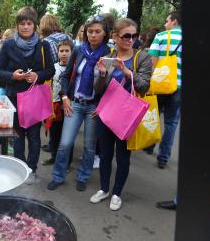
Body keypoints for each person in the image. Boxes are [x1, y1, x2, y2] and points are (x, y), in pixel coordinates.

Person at [90, 18, 152, 211]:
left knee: (123, 156)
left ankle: (117, 193)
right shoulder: (108, 57)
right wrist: (101, 74)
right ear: (115, 37)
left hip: (127, 115)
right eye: (126, 35)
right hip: (106, 113)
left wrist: (126, 71)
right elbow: (98, 90)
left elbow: (144, 85)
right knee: (105, 154)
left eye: (134, 35)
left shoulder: (142, 57)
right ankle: (104, 189)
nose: (131, 39)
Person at [46, 15, 111, 191]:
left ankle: (83, 176)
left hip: (94, 106)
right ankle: (58, 176)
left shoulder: (108, 54)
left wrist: (103, 75)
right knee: (65, 143)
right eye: (90, 31)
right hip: (74, 102)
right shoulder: (79, 50)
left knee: (90, 146)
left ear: (105, 33)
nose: (93, 35)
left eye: (98, 31)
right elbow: (66, 75)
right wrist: (65, 96)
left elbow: (110, 86)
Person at [0, 6, 55, 184]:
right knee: (18, 136)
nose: (25, 27)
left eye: (29, 23)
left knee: (34, 137)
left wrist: (38, 76)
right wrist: (12, 76)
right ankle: (19, 167)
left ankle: (31, 169)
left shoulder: (43, 45)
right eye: (22, 24)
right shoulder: (8, 45)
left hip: (35, 98)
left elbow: (51, 70)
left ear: (35, 25)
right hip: (14, 97)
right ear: (17, 25)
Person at [144, 11, 182, 170]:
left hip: (160, 85)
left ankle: (149, 145)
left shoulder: (161, 36)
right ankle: (164, 157)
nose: (165, 24)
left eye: (167, 21)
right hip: (178, 87)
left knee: (155, 115)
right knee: (172, 122)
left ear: (174, 21)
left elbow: (151, 63)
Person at [41, 40, 74, 166]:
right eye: (62, 51)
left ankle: (67, 162)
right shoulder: (53, 68)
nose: (64, 54)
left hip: (68, 106)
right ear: (57, 52)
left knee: (67, 137)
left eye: (67, 51)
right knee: (54, 135)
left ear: (72, 52)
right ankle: (54, 157)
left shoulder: (74, 69)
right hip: (53, 106)